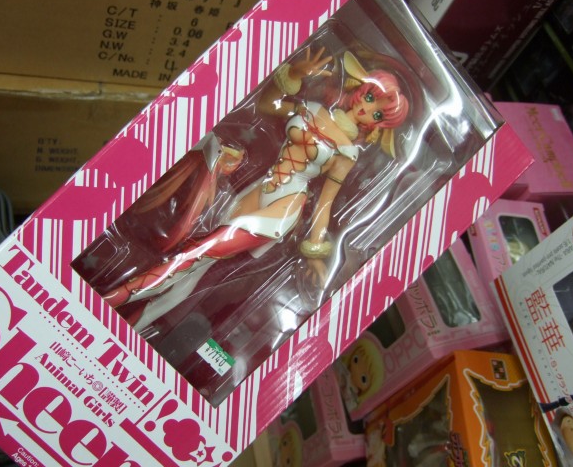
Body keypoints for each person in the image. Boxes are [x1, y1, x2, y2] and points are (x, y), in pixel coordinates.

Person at [101, 47, 410, 326]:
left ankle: (117, 296)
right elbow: (267, 104)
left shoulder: (347, 153)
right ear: (360, 88)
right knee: (198, 266)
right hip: (261, 188)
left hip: (284, 207)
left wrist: (316, 253)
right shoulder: (313, 109)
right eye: (370, 97)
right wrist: (294, 75)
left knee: (200, 252)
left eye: (378, 113)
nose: (367, 108)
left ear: (380, 126)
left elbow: (325, 202)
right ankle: (137, 323)